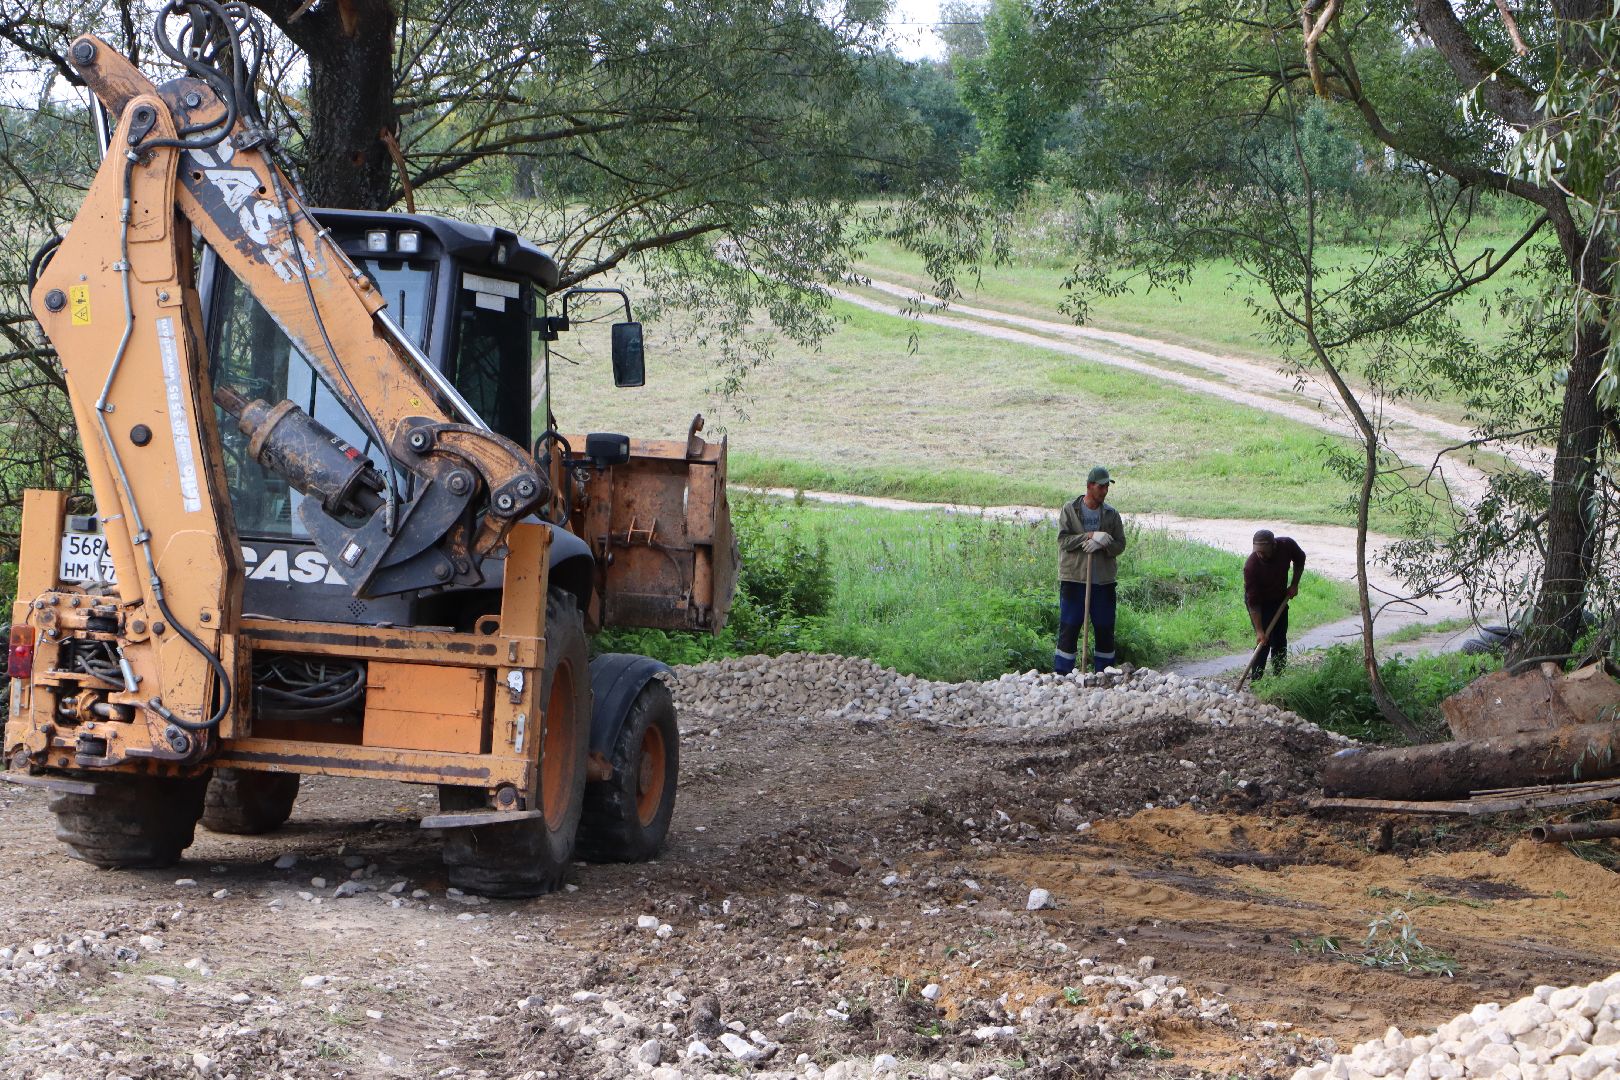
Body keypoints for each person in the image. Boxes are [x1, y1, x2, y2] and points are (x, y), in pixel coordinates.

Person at [1054, 466, 1127, 674]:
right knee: (1069, 626)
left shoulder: (1112, 515)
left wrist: (1104, 543)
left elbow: (1120, 545)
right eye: (1101, 487)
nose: (1104, 491)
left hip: (1103, 581)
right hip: (1074, 579)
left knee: (1105, 628)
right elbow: (1063, 541)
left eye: (1106, 487)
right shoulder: (1070, 509)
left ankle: (1105, 673)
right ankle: (1062, 675)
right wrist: (1089, 536)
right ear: (1089, 486)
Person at [1244, 529, 1306, 681]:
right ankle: (1256, 681)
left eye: (1264, 552)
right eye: (1258, 552)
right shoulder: (1251, 566)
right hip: (1259, 604)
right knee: (1263, 641)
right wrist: (1259, 630)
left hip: (1279, 599)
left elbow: (1300, 558)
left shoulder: (1287, 545)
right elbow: (1253, 602)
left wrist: (1294, 584)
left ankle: (1279, 678)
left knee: (1279, 640)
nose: (1261, 555)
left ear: (1274, 545)